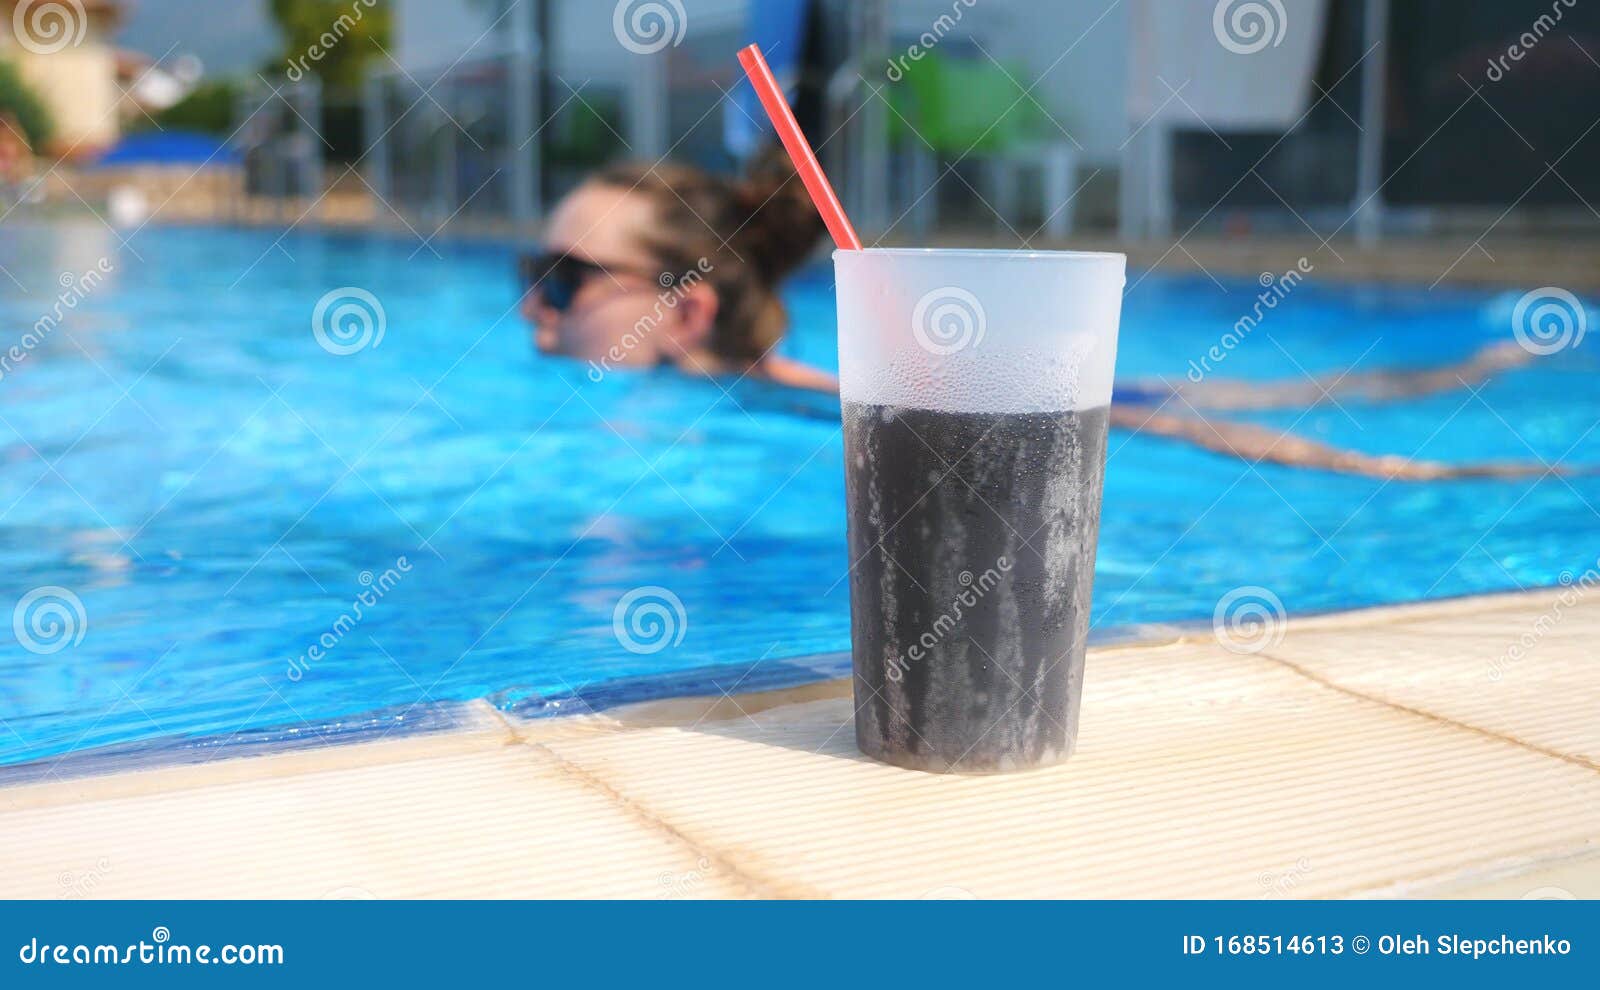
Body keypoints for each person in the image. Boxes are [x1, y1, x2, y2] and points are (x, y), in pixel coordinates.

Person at [520, 157, 1554, 482]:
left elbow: (1135, 429)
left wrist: (1414, 477)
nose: (530, 302)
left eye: (563, 278)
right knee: (1282, 383)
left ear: (686, 308)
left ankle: (1474, 373)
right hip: (1090, 390)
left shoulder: (806, 407)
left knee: (1252, 401)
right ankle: (1476, 364)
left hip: (1095, 403)